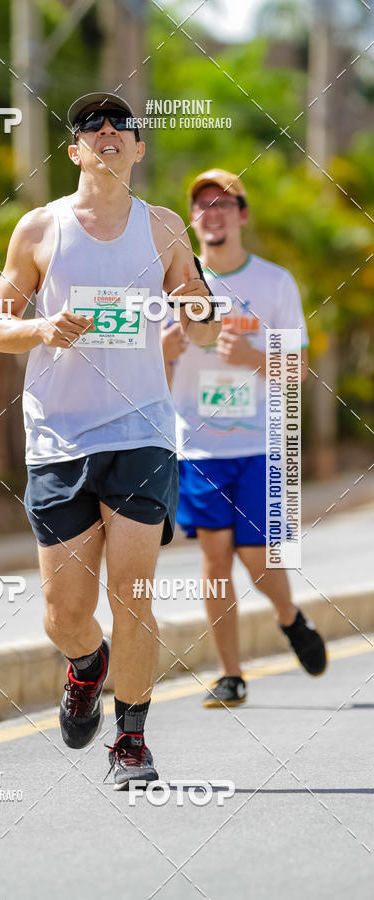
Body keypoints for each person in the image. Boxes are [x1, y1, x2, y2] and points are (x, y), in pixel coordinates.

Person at [0, 92, 220, 787]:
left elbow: (201, 324)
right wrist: (40, 329)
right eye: (92, 124)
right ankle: (87, 665)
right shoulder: (38, 229)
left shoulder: (166, 229)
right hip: (59, 438)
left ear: (139, 150)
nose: (109, 131)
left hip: (142, 430)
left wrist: (198, 308)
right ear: (75, 150)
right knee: (66, 615)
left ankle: (133, 743)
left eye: (123, 125)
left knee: (135, 593)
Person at [162, 168, 327, 708]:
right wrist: (166, 350)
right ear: (192, 219)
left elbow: (297, 369)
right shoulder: (173, 287)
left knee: (258, 558)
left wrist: (252, 358)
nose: (212, 212)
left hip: (260, 444)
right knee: (214, 560)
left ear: (242, 215)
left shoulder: (274, 283)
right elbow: (151, 375)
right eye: (202, 204)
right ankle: (230, 674)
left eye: (224, 203)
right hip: (199, 448)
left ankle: (291, 619)